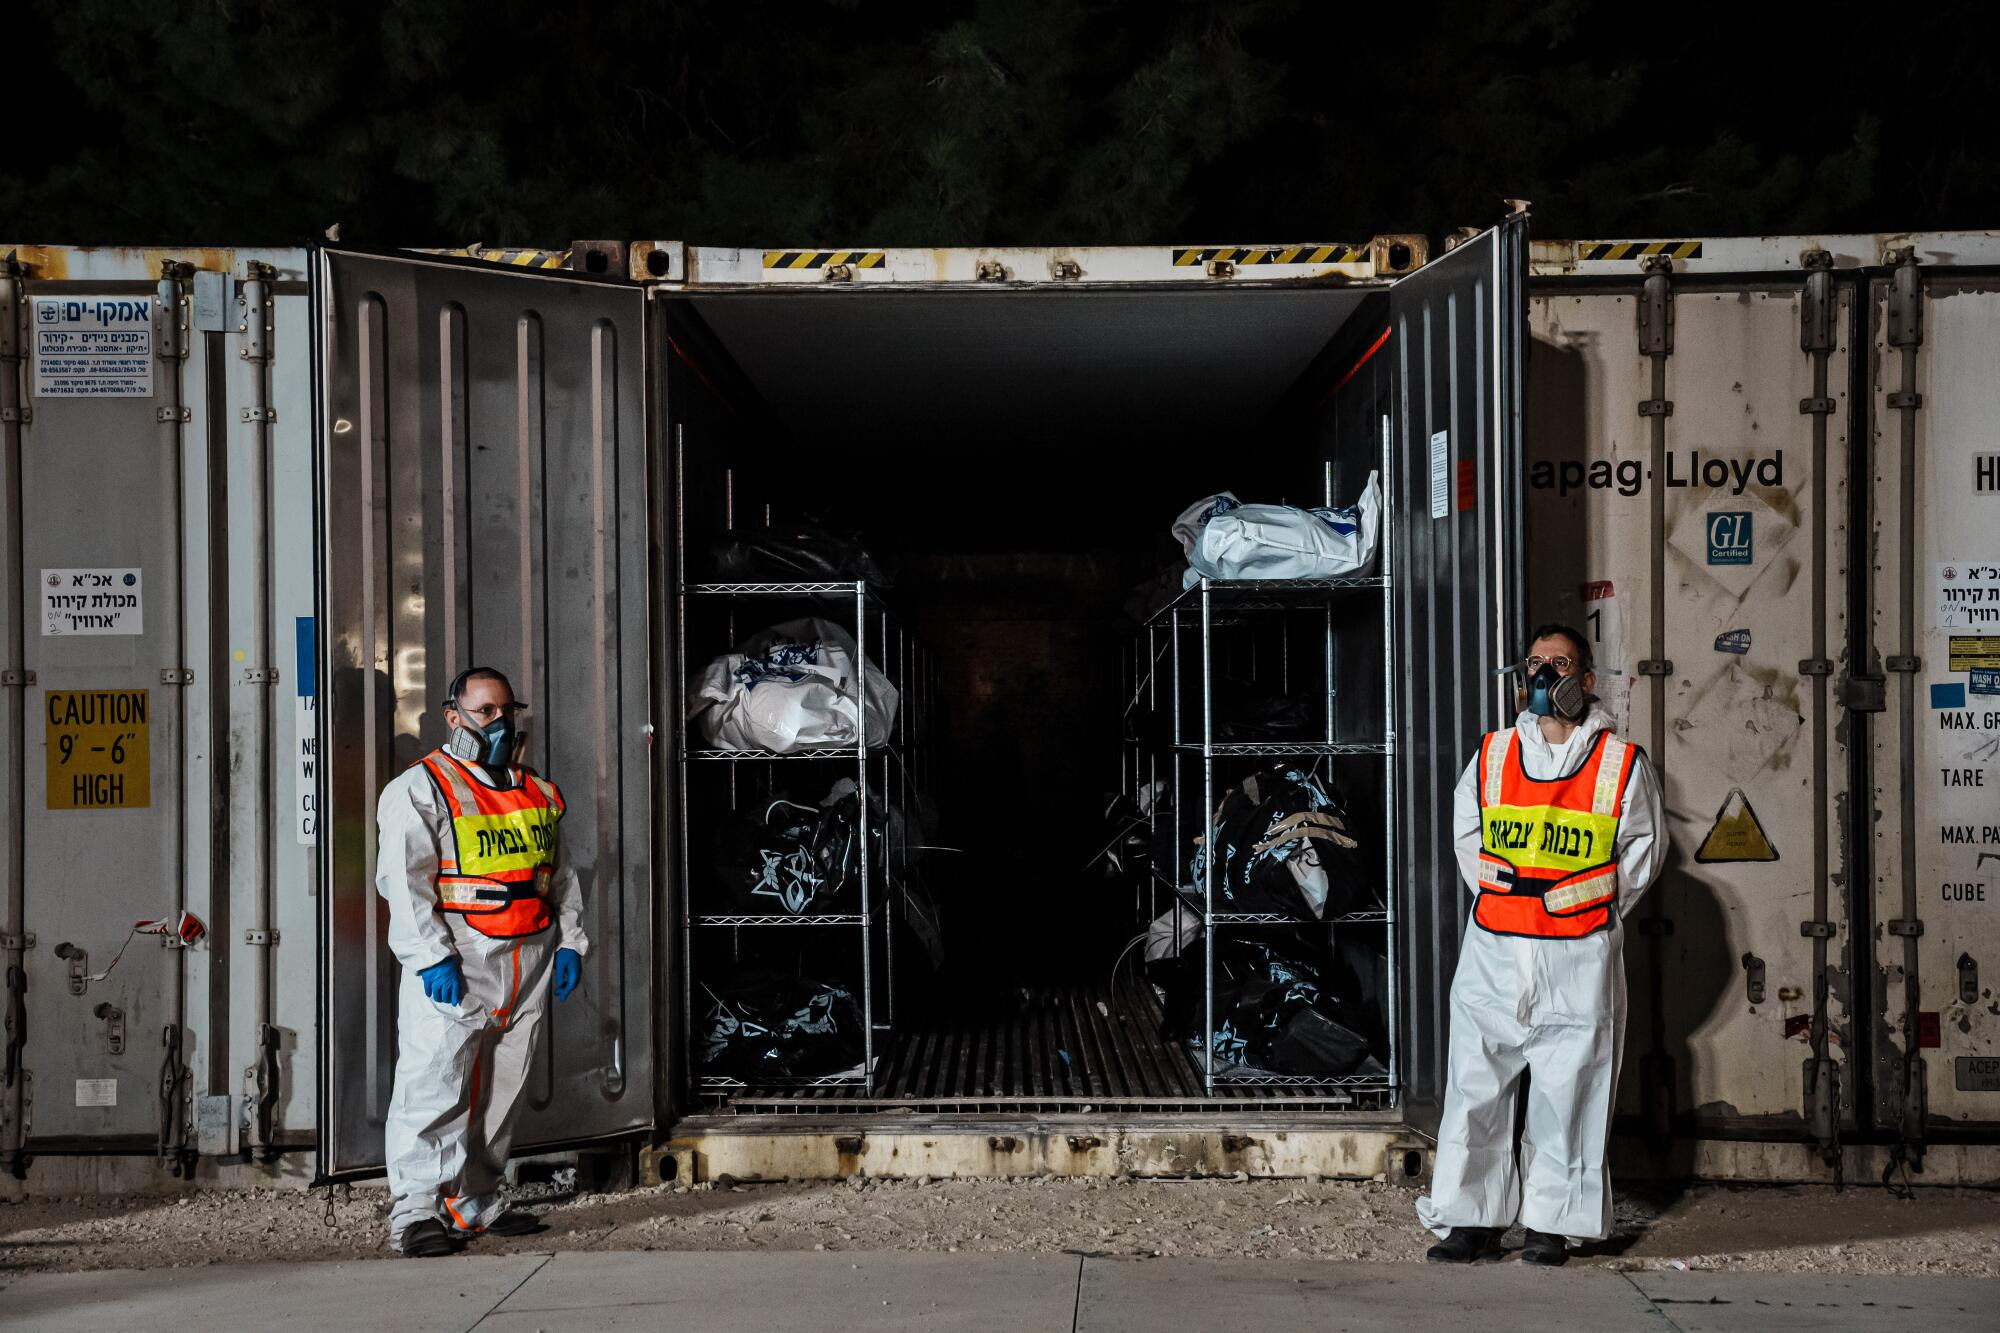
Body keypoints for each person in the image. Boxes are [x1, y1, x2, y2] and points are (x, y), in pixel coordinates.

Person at [1415, 624, 1665, 1266]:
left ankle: (1552, 1225)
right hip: (1495, 955)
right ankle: (1471, 1223)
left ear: (1586, 681)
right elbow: (1466, 835)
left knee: (1569, 1093)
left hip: (1576, 959)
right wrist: (1505, 897)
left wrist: (1592, 907)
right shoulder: (1494, 754)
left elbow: (1645, 849)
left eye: (1560, 664)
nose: (1544, 676)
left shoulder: (1619, 763)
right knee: (1474, 1090)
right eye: (1534, 663)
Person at [375, 667, 590, 1258]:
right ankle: (416, 1212)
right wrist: (429, 959)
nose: (500, 724)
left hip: (529, 958)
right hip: (460, 960)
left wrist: (572, 941)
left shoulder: (533, 791)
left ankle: (475, 1201)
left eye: (507, 711)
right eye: (486, 711)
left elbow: (558, 873)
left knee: (503, 1088)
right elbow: (405, 883)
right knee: (434, 1082)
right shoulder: (421, 789)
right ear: (454, 717)